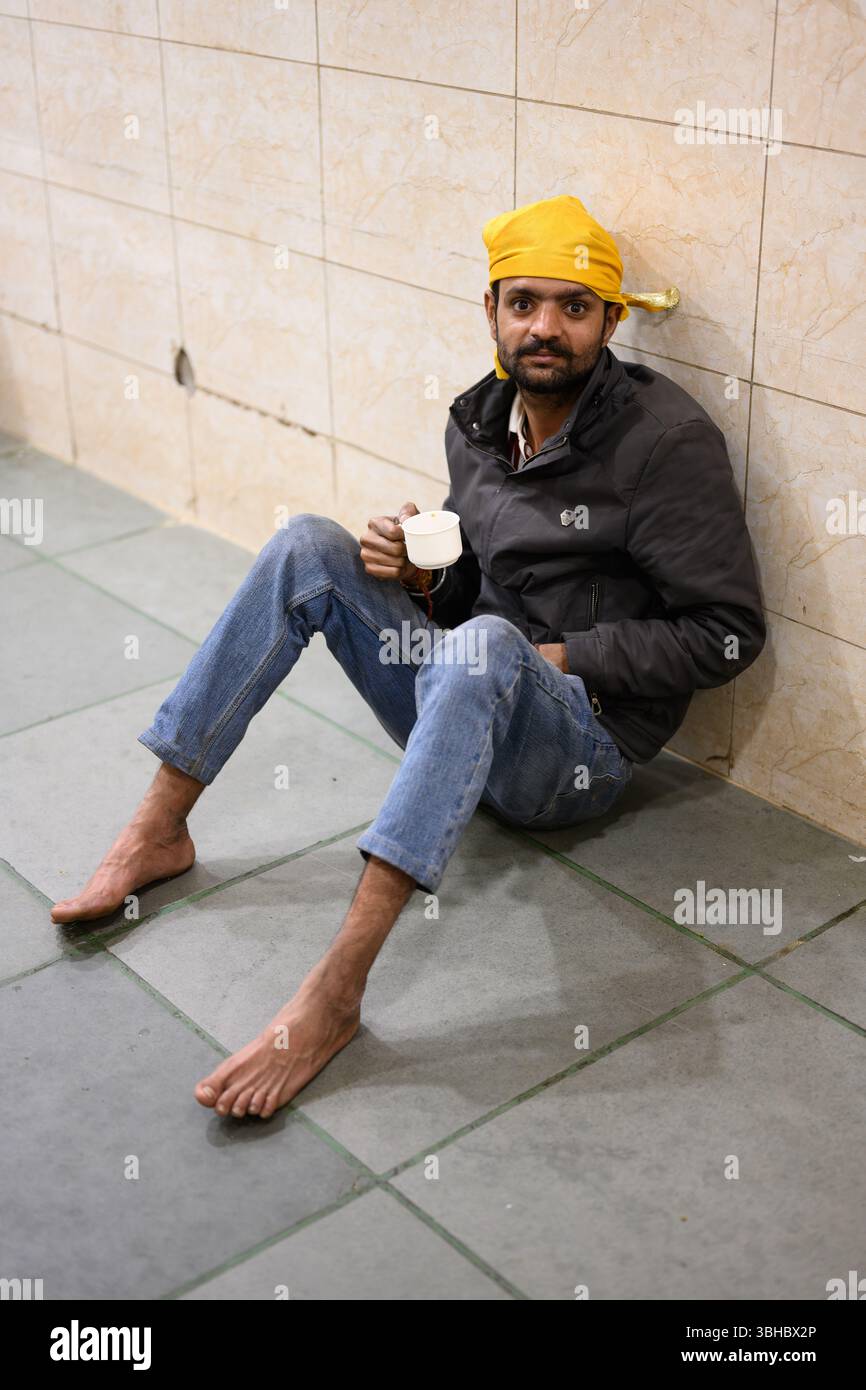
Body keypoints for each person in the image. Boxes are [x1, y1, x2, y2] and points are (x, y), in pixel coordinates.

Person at [50, 195, 766, 1121]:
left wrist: (554, 653)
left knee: (485, 650)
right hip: (473, 684)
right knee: (308, 543)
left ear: (611, 321)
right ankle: (158, 830)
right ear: (492, 311)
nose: (546, 327)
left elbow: (727, 633)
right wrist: (422, 573)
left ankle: (335, 994)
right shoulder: (480, 420)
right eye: (524, 303)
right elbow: (474, 596)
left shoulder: (667, 445)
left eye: (574, 307)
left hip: (579, 754)